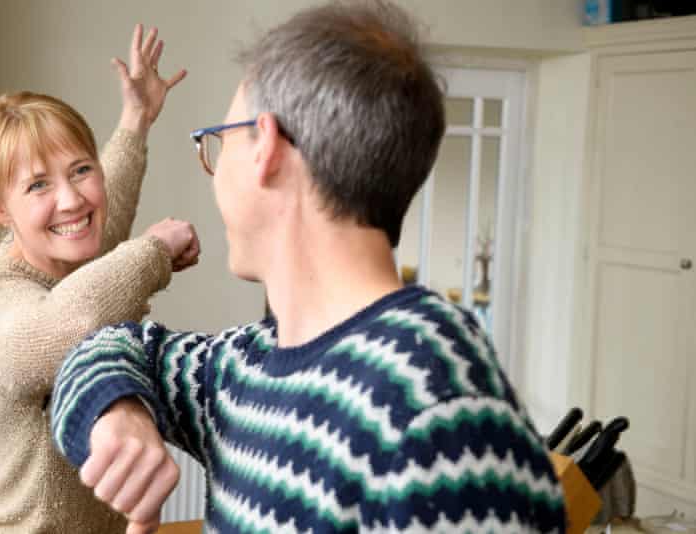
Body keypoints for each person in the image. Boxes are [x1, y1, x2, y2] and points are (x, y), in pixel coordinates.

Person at [49, 2, 567, 533]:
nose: (213, 172)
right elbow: (105, 348)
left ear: (266, 148)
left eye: (219, 142)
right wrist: (119, 414)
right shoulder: (240, 371)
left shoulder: (439, 420)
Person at [0, 24, 200, 533]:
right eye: (38, 184)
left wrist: (136, 119)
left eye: (81, 170)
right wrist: (154, 252)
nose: (71, 198)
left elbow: (104, 216)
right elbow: (47, 336)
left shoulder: (70, 265)